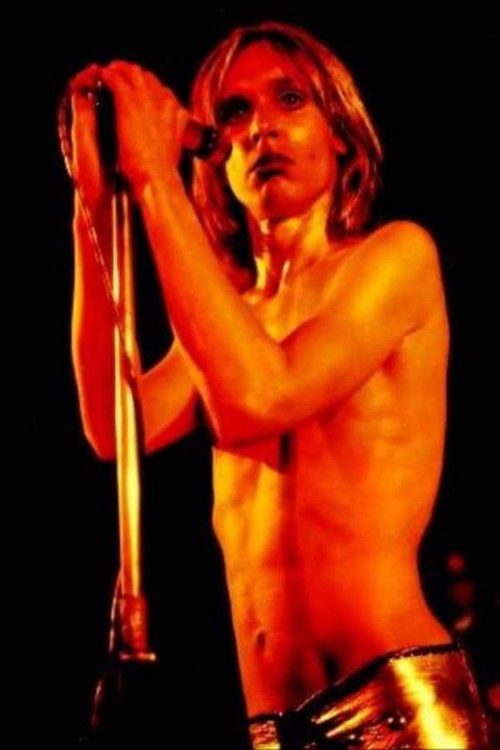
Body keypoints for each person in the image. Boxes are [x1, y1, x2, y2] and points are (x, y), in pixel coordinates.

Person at [69, 21, 489, 750]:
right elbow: (114, 425)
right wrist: (92, 205)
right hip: (274, 731)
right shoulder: (231, 317)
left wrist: (157, 180)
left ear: (341, 134)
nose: (261, 128)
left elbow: (262, 396)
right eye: (234, 113)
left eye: (289, 100)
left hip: (394, 706)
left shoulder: (393, 258)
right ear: (216, 155)